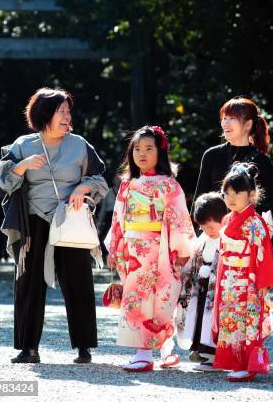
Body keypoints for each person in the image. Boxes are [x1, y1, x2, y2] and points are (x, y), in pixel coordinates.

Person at [0, 87, 108, 364]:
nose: (68, 116)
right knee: (29, 283)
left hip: (70, 218)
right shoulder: (23, 144)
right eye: (62, 111)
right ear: (44, 114)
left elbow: (101, 182)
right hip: (34, 221)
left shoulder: (80, 145)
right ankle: (28, 348)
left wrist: (83, 186)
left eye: (69, 111)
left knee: (78, 281)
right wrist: (22, 165)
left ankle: (84, 347)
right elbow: (3, 180)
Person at [107, 125, 195, 372]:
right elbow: (118, 218)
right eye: (137, 148)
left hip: (161, 250)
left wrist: (181, 251)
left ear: (160, 152)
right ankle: (145, 351)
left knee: (163, 299)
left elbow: (178, 218)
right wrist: (115, 247)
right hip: (134, 251)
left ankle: (161, 349)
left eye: (148, 148)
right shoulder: (127, 185)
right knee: (138, 299)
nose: (142, 153)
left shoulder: (169, 185)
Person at [193, 96, 273, 262]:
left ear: (248, 124)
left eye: (232, 119)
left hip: (246, 239)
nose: (225, 124)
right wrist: (192, 238)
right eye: (223, 119)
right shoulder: (211, 155)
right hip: (212, 236)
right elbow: (199, 200)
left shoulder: (261, 161)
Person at [212, 163, 273, 382]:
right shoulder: (229, 219)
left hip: (248, 280)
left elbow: (263, 254)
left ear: (251, 194)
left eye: (237, 192)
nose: (231, 198)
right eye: (227, 192)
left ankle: (247, 363)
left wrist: (261, 283)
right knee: (230, 321)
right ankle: (234, 361)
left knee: (246, 321)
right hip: (229, 279)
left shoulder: (254, 222)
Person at [180, 192, 228, 372]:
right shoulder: (203, 240)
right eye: (204, 227)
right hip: (201, 285)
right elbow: (193, 259)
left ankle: (214, 355)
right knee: (200, 317)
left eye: (210, 226)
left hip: (218, 288)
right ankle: (202, 350)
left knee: (213, 319)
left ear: (222, 219)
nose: (207, 231)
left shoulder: (227, 239)